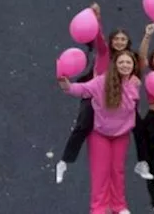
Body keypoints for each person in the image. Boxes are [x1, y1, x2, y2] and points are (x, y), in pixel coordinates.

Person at [59, 48, 142, 208]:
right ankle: (98, 208)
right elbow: (79, 89)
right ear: (115, 65)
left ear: (133, 65)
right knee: (100, 173)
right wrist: (66, 84)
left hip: (121, 135)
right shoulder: (100, 82)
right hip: (100, 135)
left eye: (128, 62)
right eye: (121, 62)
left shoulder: (134, 84)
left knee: (117, 172)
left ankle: (119, 206)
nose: (125, 65)